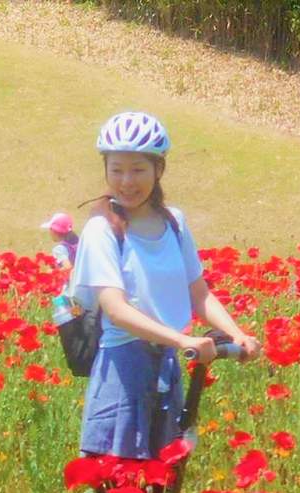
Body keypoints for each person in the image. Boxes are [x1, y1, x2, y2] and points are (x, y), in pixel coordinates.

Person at [69, 110, 261, 464]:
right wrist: (183, 340)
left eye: (138, 169)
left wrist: (236, 335)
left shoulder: (175, 223)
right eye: (116, 169)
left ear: (159, 169)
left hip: (166, 366)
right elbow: (116, 308)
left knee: (161, 483)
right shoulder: (102, 230)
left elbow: (197, 292)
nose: (127, 181)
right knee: (115, 486)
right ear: (105, 170)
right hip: (122, 369)